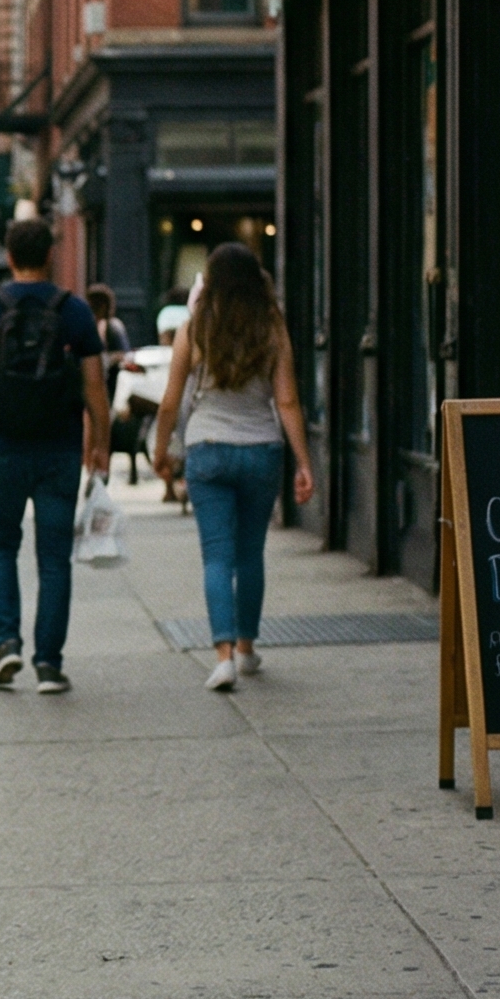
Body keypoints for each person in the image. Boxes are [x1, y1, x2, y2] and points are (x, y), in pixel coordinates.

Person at [0, 216, 111, 694]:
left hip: (4, 447)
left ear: (10, 257)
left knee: (1, 545)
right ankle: (49, 665)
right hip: (60, 449)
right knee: (54, 558)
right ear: (50, 256)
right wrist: (100, 441)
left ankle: (7, 644)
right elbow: (94, 385)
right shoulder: (75, 310)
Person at [153, 243, 315, 691]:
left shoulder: (194, 329)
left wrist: (160, 448)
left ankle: (222, 657)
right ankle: (246, 649)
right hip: (261, 449)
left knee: (217, 556)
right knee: (250, 554)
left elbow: (171, 401)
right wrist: (304, 461)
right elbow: (286, 400)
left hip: (208, 449)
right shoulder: (272, 327)